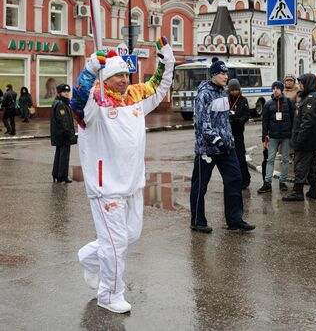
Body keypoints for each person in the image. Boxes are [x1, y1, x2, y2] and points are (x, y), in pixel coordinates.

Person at [71, 38, 175, 314]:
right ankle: (110, 293)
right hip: (106, 187)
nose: (122, 79)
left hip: (132, 183)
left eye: (125, 74)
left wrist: (167, 60)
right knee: (116, 244)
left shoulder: (134, 97)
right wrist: (90, 69)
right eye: (116, 75)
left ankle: (90, 257)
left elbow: (159, 85)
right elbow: (77, 102)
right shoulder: (95, 99)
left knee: (131, 235)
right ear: (106, 77)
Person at [190, 57, 255, 234]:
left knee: (235, 179)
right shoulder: (204, 94)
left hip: (226, 147)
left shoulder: (222, 92)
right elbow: (202, 124)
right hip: (208, 150)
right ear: (213, 75)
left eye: (227, 73)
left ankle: (235, 219)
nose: (226, 76)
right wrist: (217, 141)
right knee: (200, 185)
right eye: (222, 73)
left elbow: (224, 121)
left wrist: (229, 140)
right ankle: (197, 220)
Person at [282, 74, 316, 201]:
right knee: (312, 165)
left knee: (300, 165)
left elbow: (307, 122)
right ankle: (314, 190)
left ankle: (298, 191)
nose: (300, 85)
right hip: (310, 140)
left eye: (302, 83)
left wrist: (299, 140)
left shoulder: (310, 98)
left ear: (308, 83)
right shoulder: (309, 97)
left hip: (306, 140)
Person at [257, 81, 295, 194]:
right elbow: (265, 122)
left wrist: (293, 134)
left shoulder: (288, 102)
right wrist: (264, 138)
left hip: (286, 136)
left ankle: (282, 182)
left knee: (285, 160)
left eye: (278, 88)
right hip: (273, 136)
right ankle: (267, 183)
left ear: (281, 90)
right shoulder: (268, 104)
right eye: (273, 88)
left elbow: (294, 120)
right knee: (270, 159)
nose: (275, 90)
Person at [50, 83, 77, 183]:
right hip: (63, 134)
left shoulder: (60, 102)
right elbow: (62, 120)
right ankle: (62, 176)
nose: (66, 93)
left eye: (67, 92)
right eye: (64, 92)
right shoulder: (61, 104)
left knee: (59, 154)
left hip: (59, 134)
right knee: (64, 156)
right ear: (60, 93)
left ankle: (56, 174)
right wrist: (66, 132)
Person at [228, 78, 251, 189]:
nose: (234, 92)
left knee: (240, 157)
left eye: (236, 90)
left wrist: (240, 120)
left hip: (238, 132)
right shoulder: (225, 99)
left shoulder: (243, 100)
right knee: (228, 158)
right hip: (227, 132)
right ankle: (232, 179)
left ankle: (245, 180)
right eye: (232, 90)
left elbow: (247, 114)